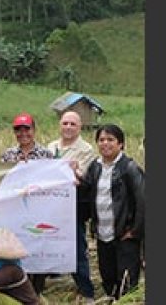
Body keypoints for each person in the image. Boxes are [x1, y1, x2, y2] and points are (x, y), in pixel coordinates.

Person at [80, 124, 144, 300]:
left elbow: (143, 202)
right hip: (102, 234)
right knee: (108, 279)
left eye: (110, 140)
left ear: (121, 144)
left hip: (124, 234)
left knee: (127, 283)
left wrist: (134, 231)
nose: (105, 143)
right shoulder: (95, 167)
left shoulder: (129, 168)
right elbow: (85, 190)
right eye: (101, 140)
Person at [0, 113, 53, 296]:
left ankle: (35, 293)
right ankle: (17, 291)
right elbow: (0, 182)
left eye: (26, 129)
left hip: (39, 213)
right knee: (16, 252)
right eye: (18, 130)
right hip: (14, 213)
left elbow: (54, 182)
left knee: (37, 251)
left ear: (34, 130)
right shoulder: (8, 155)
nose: (23, 133)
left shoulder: (46, 154)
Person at [47, 111, 96, 303]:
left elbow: (80, 178)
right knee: (48, 239)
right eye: (65, 123)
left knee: (77, 246)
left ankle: (86, 290)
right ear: (60, 125)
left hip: (73, 206)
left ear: (80, 127)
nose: (68, 127)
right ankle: (51, 276)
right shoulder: (50, 146)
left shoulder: (86, 149)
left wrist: (71, 172)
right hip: (51, 205)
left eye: (72, 124)